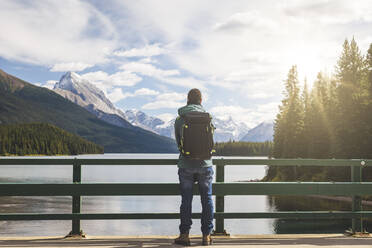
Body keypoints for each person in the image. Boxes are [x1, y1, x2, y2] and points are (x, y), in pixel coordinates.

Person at [174, 88, 214, 246]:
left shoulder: (180, 119)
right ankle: (206, 236)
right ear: (201, 101)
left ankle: (184, 235)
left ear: (187, 100)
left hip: (186, 165)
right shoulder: (208, 118)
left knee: (186, 201)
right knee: (207, 200)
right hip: (205, 165)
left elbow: (179, 143)